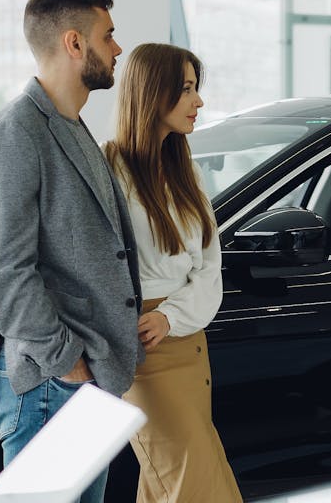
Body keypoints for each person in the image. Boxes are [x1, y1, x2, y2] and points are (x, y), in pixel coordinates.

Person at [0, 0, 142, 503]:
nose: (117, 49)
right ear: (74, 43)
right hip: (51, 384)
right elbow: (0, 267)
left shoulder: (71, 125)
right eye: (108, 35)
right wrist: (66, 361)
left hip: (82, 383)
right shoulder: (17, 131)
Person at [103, 43, 243, 503]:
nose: (198, 101)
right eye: (186, 89)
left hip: (186, 340)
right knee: (194, 483)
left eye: (195, 88)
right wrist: (157, 318)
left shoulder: (184, 172)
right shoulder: (109, 170)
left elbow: (210, 266)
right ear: (152, 92)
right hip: (144, 348)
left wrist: (173, 316)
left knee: (170, 481)